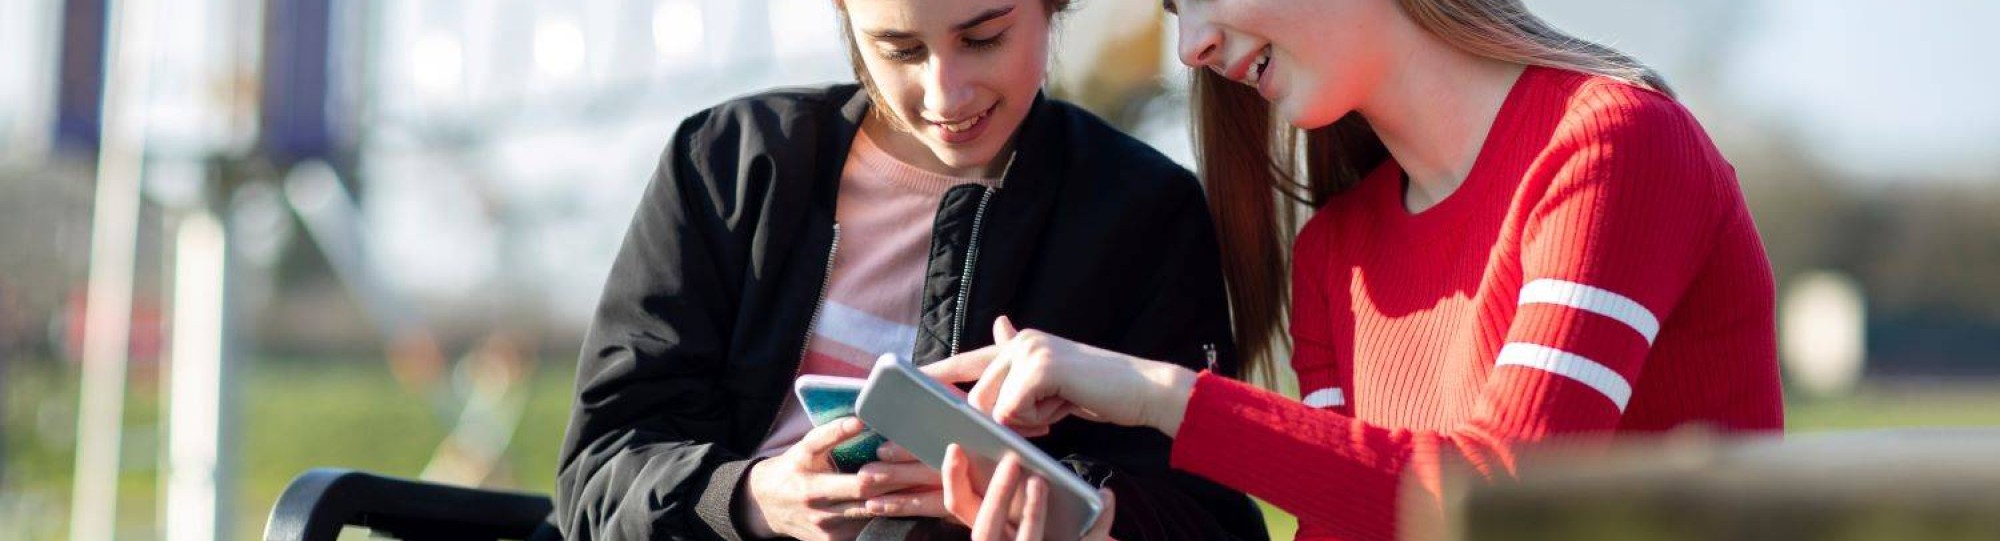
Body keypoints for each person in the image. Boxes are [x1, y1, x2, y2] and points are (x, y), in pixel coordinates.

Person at [927, 0, 1786, 539]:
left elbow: (1505, 499)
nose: (1188, 46)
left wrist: (1156, 392)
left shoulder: (1612, 145)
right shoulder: (1334, 254)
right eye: (1171, 9)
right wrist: (1094, 527)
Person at [552, 0, 1268, 538]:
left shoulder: (1142, 214)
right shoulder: (726, 165)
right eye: (898, 47)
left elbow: (1212, 517)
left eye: (983, 38)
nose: (944, 94)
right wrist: (750, 497)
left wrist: (1063, 503)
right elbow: (596, 474)